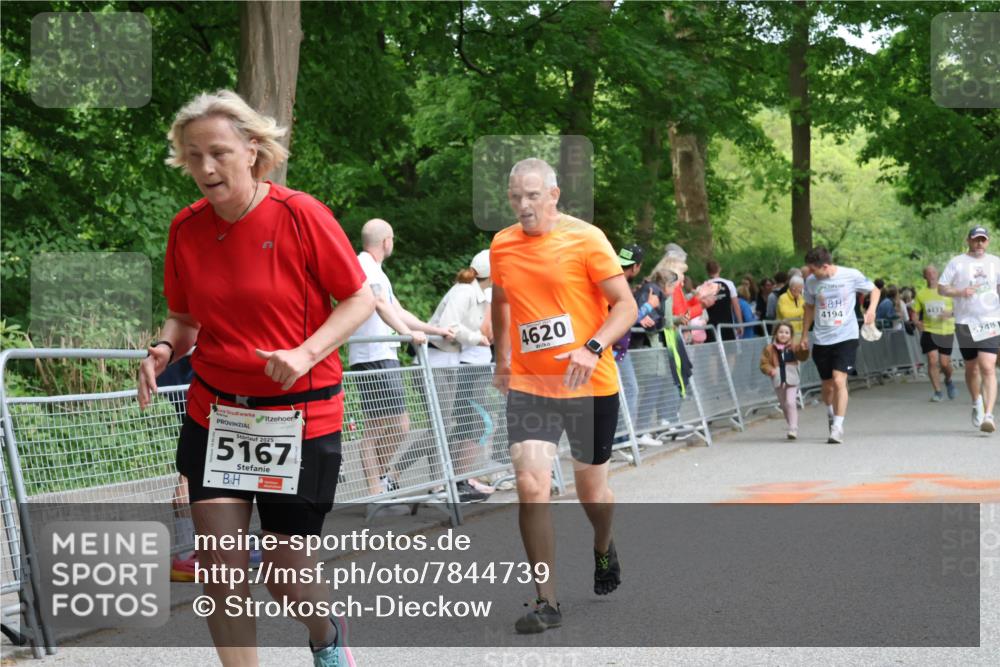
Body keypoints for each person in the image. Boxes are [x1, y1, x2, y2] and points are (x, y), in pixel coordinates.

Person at [137, 89, 375, 666]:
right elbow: (186, 316)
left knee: (286, 576)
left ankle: (326, 636)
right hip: (217, 413)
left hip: (299, 416)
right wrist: (166, 347)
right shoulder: (185, 228)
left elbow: (358, 298)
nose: (206, 168)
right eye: (192, 156)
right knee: (219, 571)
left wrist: (306, 350)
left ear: (252, 150)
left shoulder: (300, 215)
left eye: (218, 152)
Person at [490, 158, 637, 633]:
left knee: (591, 493)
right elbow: (502, 303)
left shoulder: (587, 239)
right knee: (531, 485)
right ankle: (545, 601)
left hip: (589, 385)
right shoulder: (502, 245)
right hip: (532, 386)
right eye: (515, 196)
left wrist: (592, 347)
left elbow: (626, 306)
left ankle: (603, 544)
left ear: (554, 195)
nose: (523, 205)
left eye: (532, 195)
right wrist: (503, 357)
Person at [348, 218, 454, 496]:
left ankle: (381, 483)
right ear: (387, 241)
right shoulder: (364, 266)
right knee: (378, 426)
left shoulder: (379, 272)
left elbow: (398, 310)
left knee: (398, 424)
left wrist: (435, 330)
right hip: (371, 354)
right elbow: (380, 304)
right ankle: (375, 489)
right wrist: (408, 334)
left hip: (384, 354)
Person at [391, 250, 493, 502]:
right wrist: (476, 338)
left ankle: (437, 484)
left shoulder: (475, 294)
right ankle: (392, 474)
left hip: (448, 364)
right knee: (442, 426)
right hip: (433, 364)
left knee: (443, 427)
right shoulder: (464, 291)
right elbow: (450, 326)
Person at [798, 246, 879, 444]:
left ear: (825, 266)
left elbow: (874, 290)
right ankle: (830, 412)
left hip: (846, 336)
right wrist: (804, 336)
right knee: (827, 386)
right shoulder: (810, 281)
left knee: (839, 380)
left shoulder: (850, 275)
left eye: (813, 269)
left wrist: (872, 309)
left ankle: (838, 427)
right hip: (822, 338)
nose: (810, 272)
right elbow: (809, 308)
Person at [938, 226, 1000, 432]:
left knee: (988, 366)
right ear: (968, 241)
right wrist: (960, 291)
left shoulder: (995, 263)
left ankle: (989, 415)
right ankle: (977, 403)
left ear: (988, 242)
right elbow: (942, 287)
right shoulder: (957, 263)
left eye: (983, 240)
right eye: (976, 240)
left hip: (990, 320)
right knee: (972, 367)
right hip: (965, 322)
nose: (979, 244)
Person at [611, 244, 662, 447]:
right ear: (636, 267)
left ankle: (623, 435)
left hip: (619, 349)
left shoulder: (614, 281)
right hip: (612, 348)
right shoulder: (618, 285)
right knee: (626, 391)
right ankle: (621, 436)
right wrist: (649, 306)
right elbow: (621, 317)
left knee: (629, 389)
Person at [913, 265, 957, 402]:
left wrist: (950, 313)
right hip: (929, 330)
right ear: (924, 276)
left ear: (937, 274)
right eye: (928, 273)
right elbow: (915, 313)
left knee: (944, 363)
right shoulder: (921, 293)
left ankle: (948, 380)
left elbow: (960, 308)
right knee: (932, 360)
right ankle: (937, 392)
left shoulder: (948, 291)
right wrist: (917, 322)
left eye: (933, 272)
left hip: (946, 331)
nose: (931, 274)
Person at [760, 321, 809, 439]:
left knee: (790, 402)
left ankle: (793, 428)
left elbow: (803, 357)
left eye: (787, 332)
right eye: (781, 332)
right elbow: (763, 363)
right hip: (778, 380)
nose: (783, 335)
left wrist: (804, 349)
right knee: (784, 405)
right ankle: (791, 423)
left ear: (791, 335)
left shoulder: (794, 347)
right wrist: (770, 370)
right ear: (776, 334)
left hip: (792, 378)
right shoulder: (769, 349)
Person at [704, 260, 743, 341]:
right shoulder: (729, 284)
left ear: (707, 272)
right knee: (730, 351)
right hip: (727, 324)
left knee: (713, 351)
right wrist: (740, 324)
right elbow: (736, 306)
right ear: (719, 269)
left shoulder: (704, 285)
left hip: (711, 326)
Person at [776, 275, 806, 340]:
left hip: (800, 334)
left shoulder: (801, 298)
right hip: (785, 334)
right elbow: (786, 314)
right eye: (799, 288)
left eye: (801, 288)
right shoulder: (783, 298)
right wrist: (803, 309)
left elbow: (805, 314)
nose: (800, 290)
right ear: (792, 287)